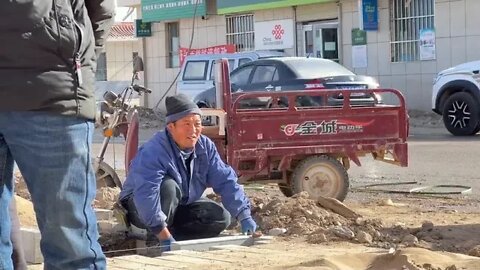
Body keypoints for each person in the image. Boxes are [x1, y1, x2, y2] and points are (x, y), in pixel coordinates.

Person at [0, 1, 115, 269]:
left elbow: (102, 8)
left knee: (69, 243)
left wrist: (77, 65)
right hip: (55, 85)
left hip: (51, 88)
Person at [118, 94, 257, 251]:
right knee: (168, 187)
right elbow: (146, 194)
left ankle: (172, 238)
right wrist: (161, 232)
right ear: (171, 127)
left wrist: (244, 215)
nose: (193, 130)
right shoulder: (154, 151)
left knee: (220, 217)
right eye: (186, 124)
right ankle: (156, 236)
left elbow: (225, 181)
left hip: (178, 205)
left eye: (197, 124)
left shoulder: (205, 146)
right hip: (140, 208)